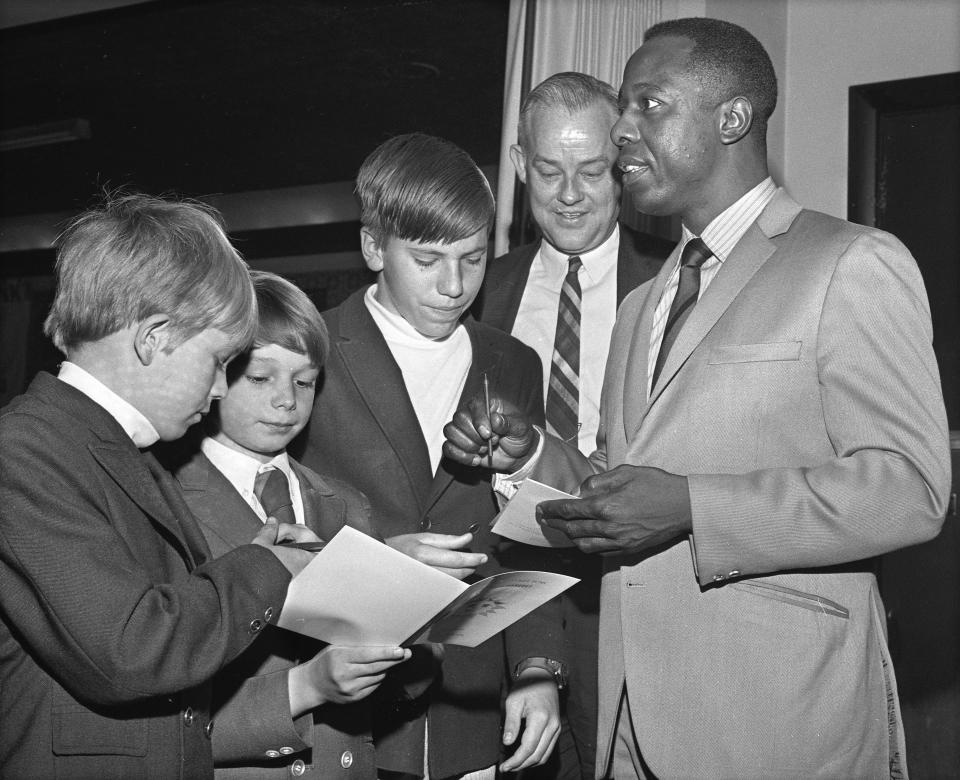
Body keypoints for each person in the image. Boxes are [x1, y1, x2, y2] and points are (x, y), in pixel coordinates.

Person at [442, 18, 951, 779]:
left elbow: (911, 489)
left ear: (732, 117)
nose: (619, 130)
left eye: (647, 105)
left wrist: (693, 508)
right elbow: (626, 491)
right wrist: (537, 454)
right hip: (629, 719)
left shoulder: (849, 262)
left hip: (779, 719)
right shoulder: (645, 303)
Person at [0, 193, 324, 779]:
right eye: (220, 361)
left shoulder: (125, 452)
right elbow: (132, 650)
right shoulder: (22, 451)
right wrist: (264, 567)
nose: (223, 390)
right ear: (154, 338)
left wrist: (263, 558)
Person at [290, 132, 565, 780]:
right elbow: (258, 526)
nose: (453, 286)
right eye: (428, 259)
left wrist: (536, 666)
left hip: (469, 716)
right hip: (339, 712)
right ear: (371, 248)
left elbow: (527, 530)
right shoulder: (310, 351)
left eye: (472, 260)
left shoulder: (513, 362)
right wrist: (379, 564)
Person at [472, 70, 672, 780]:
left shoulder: (677, 279)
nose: (568, 194)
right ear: (521, 165)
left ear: (620, 168)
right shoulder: (478, 289)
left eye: (591, 171)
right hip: (510, 589)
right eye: (549, 171)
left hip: (633, 588)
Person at [157, 270, 413, 778]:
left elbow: (405, 688)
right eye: (260, 377)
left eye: (305, 381)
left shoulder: (348, 505)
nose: (287, 400)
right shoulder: (164, 502)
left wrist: (408, 618)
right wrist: (307, 688)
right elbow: (160, 720)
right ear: (214, 372)